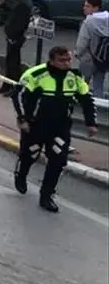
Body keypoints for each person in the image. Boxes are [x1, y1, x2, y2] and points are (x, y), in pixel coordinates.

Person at [11, 46, 98, 213]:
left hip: (60, 127)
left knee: (58, 160)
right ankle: (21, 174)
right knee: (30, 154)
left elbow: (86, 99)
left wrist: (91, 123)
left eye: (68, 60)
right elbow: (19, 95)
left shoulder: (75, 76)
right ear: (51, 60)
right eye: (62, 60)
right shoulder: (35, 74)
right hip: (35, 125)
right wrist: (22, 118)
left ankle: (46, 195)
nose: (66, 64)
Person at [0, 0, 31, 94]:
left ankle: (14, 87)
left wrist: (13, 37)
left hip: (15, 37)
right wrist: (1, 3)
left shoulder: (24, 4)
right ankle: (6, 85)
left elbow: (20, 23)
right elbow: (9, 9)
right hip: (11, 35)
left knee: (14, 63)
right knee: (9, 62)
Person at [73, 0, 109, 100]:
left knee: (83, 82)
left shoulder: (88, 23)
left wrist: (77, 53)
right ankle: (99, 103)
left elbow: (82, 42)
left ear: (96, 8)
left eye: (87, 6)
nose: (84, 8)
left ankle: (82, 103)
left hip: (88, 58)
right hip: (103, 58)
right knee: (99, 83)